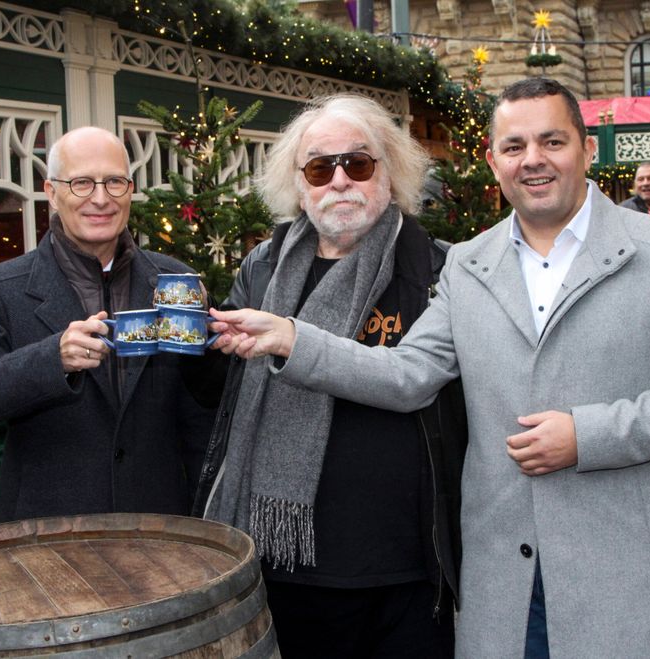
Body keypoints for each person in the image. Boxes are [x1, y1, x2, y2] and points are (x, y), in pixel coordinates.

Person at [208, 78, 650, 658]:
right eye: (514, 147)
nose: (532, 160)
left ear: (587, 150)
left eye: (551, 141)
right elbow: (408, 375)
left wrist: (587, 435)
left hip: (612, 562)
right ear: (493, 161)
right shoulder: (468, 264)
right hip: (502, 573)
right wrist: (293, 338)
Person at [194, 94, 463, 658]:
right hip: (285, 565)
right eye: (320, 167)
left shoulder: (439, 268)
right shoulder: (263, 267)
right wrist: (199, 345)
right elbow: (223, 394)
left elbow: (410, 381)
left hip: (404, 570)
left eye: (357, 164)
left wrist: (292, 338)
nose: (339, 180)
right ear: (300, 184)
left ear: (390, 172)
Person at [0, 126, 214, 522]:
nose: (100, 199)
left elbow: (203, 407)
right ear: (51, 192)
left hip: (160, 529)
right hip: (52, 536)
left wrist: (217, 346)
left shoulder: (175, 282)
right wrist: (52, 359)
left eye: (114, 182)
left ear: (130, 189)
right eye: (81, 183)